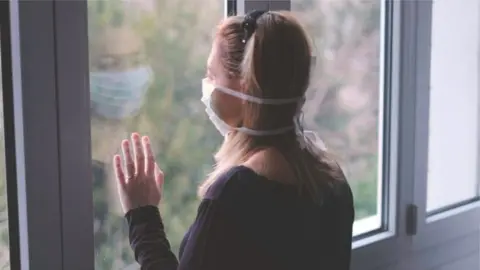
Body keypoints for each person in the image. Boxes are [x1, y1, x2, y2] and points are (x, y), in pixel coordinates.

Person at [113, 10, 355, 270]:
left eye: (212, 76)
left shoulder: (236, 194)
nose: (207, 85)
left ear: (245, 88)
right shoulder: (331, 179)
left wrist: (143, 216)